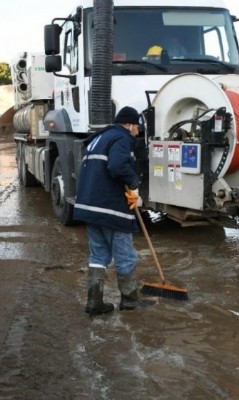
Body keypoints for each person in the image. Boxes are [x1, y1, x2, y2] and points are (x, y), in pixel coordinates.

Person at [73, 106, 144, 315]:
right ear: (129, 124)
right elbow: (117, 166)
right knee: (125, 254)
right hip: (109, 208)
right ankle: (130, 300)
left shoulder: (99, 138)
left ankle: (95, 302)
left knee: (99, 254)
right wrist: (134, 184)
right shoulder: (122, 138)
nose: (137, 133)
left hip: (89, 206)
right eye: (137, 127)